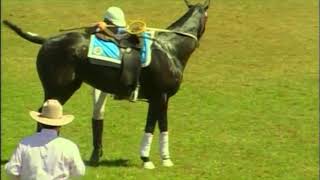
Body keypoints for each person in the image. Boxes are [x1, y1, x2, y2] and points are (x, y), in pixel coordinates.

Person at [5, 99, 86, 180]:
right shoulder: (69, 146)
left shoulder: (25, 143)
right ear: (60, 125)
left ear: (40, 122)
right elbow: (79, 172)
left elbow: (12, 170)